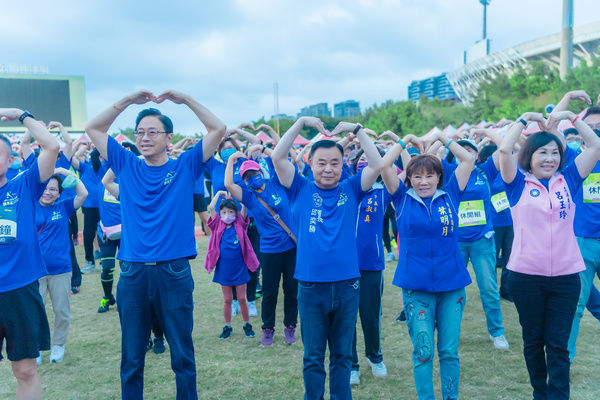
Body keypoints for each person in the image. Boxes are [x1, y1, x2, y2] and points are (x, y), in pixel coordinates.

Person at [85, 89, 226, 400]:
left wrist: (187, 100)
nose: (144, 137)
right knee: (132, 359)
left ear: (169, 139)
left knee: (182, 357)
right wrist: (128, 102)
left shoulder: (185, 166)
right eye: (140, 132)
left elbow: (218, 129)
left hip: (173, 273)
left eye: (152, 132)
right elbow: (93, 128)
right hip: (133, 274)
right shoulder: (126, 164)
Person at [271, 118, 383, 400]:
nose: (328, 169)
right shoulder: (299, 188)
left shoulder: (352, 188)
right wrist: (300, 123)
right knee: (313, 357)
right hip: (310, 287)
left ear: (344, 162)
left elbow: (378, 165)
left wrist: (356, 130)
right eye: (322, 162)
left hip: (347, 285)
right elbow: (277, 156)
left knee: (343, 356)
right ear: (310, 163)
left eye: (335, 162)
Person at [498, 110, 600, 399]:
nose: (549, 158)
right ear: (530, 156)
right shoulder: (516, 182)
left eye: (555, 153)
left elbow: (595, 147)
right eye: (542, 152)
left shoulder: (569, 179)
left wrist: (572, 119)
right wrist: (524, 120)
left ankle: (558, 396)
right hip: (526, 277)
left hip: (567, 278)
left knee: (558, 344)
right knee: (533, 341)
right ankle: (539, 393)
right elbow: (505, 148)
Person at [381, 130, 473, 400]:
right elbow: (385, 165)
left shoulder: (452, 194)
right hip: (416, 287)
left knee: (448, 352)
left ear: (439, 176)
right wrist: (405, 141)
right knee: (423, 351)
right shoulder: (400, 197)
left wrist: (444, 139)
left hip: (452, 286)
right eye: (417, 176)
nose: (423, 181)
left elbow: (467, 160)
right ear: (408, 178)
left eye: (429, 175)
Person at [0, 108, 60, 400]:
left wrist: (19, 114)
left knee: (25, 370)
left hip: (20, 291)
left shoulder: (23, 185)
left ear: (10, 160)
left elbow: (51, 146)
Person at [225, 151, 298, 346]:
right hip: (270, 250)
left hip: (291, 247)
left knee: (291, 289)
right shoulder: (248, 197)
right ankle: (268, 330)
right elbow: (229, 185)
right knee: (270, 291)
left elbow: (279, 158)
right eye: (247, 177)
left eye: (253, 174)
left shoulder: (276, 183)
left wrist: (264, 149)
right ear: (245, 181)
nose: (252, 178)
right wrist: (232, 160)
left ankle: (290, 327)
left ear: (261, 171)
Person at [348, 143, 392, 385]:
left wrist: (397, 143)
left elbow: (393, 169)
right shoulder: (348, 189)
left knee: (369, 315)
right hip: (344, 266)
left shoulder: (383, 192)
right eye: (361, 158)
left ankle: (375, 357)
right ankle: (351, 364)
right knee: (346, 318)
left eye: (370, 158)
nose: (366, 161)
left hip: (371, 264)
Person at [35, 168, 88, 364]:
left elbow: (83, 193)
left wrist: (63, 171)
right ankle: (37, 347)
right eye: (46, 188)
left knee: (61, 310)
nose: (48, 192)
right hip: (35, 271)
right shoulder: (30, 207)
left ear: (59, 192)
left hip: (61, 270)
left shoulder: (63, 207)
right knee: (35, 311)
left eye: (53, 189)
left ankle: (58, 345)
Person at [205, 190, 258, 339]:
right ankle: (227, 326)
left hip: (239, 268)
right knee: (228, 299)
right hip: (224, 270)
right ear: (220, 213)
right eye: (224, 212)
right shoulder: (217, 224)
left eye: (230, 212)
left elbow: (244, 206)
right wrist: (218, 194)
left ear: (235, 213)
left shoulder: (240, 223)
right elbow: (210, 207)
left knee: (242, 298)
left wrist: (239, 195)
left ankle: (247, 324)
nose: (227, 215)